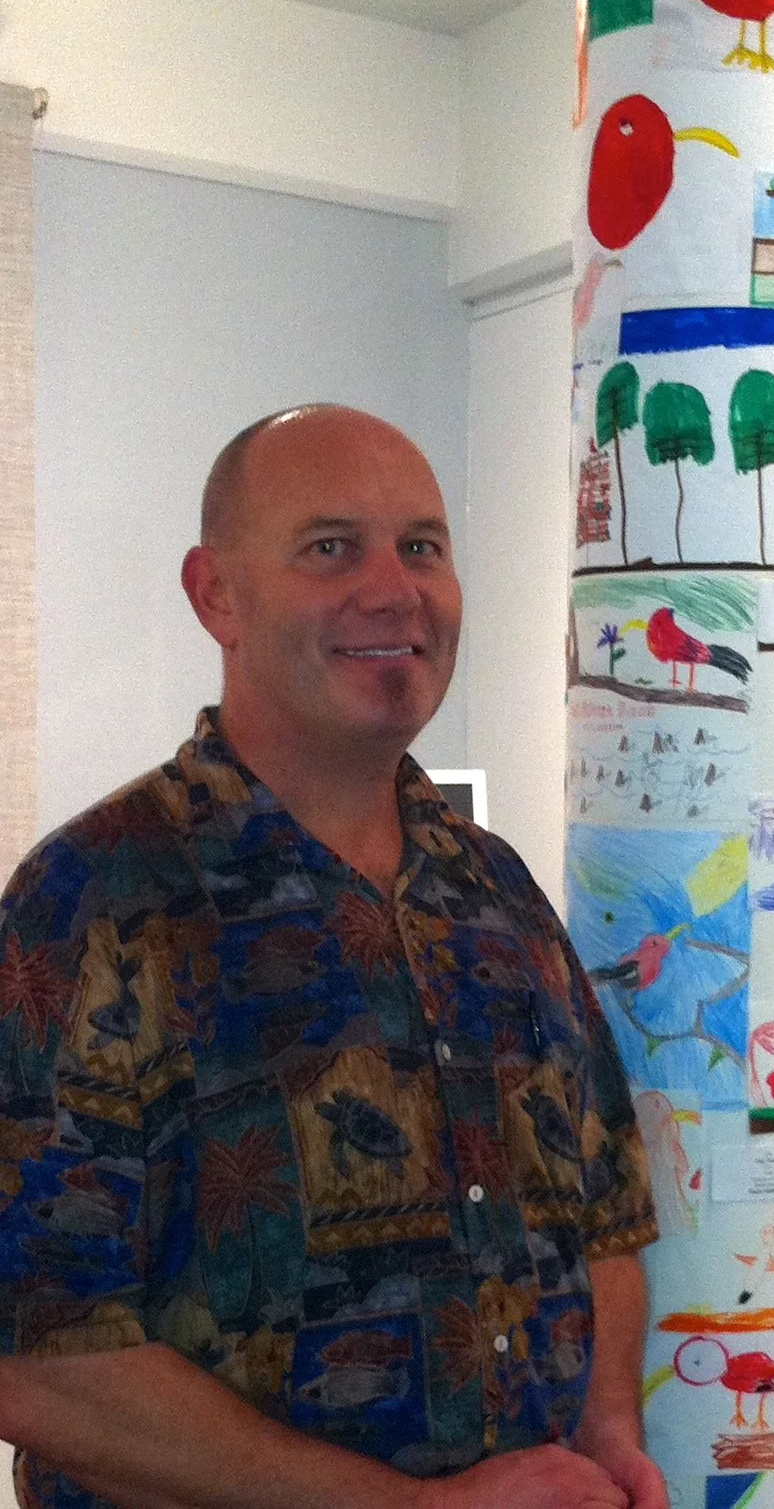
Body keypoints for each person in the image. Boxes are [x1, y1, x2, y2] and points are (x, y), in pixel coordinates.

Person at [0, 405, 666, 1509]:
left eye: (421, 546)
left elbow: (604, 1217)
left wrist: (608, 1434)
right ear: (216, 594)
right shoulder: (92, 903)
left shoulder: (496, 890)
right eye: (330, 547)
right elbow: (34, 1351)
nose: (394, 590)